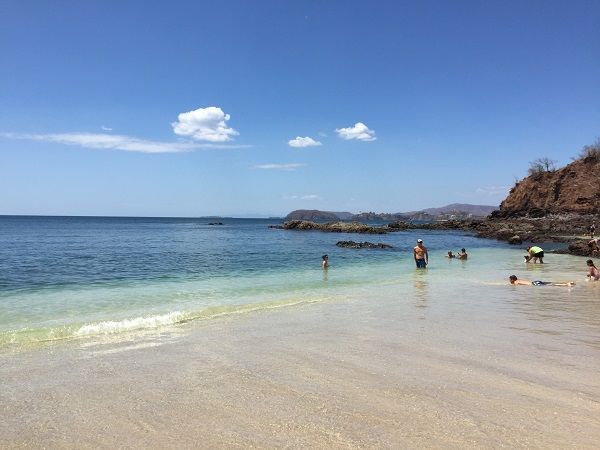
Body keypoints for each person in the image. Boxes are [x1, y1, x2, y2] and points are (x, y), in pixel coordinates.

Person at [509, 275, 574, 287]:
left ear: (512, 279)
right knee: (551, 283)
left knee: (552, 285)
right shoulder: (519, 280)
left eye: (510, 280)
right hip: (535, 281)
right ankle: (568, 282)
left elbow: (516, 286)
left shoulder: (515, 282)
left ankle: (566, 284)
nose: (509, 281)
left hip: (534, 284)